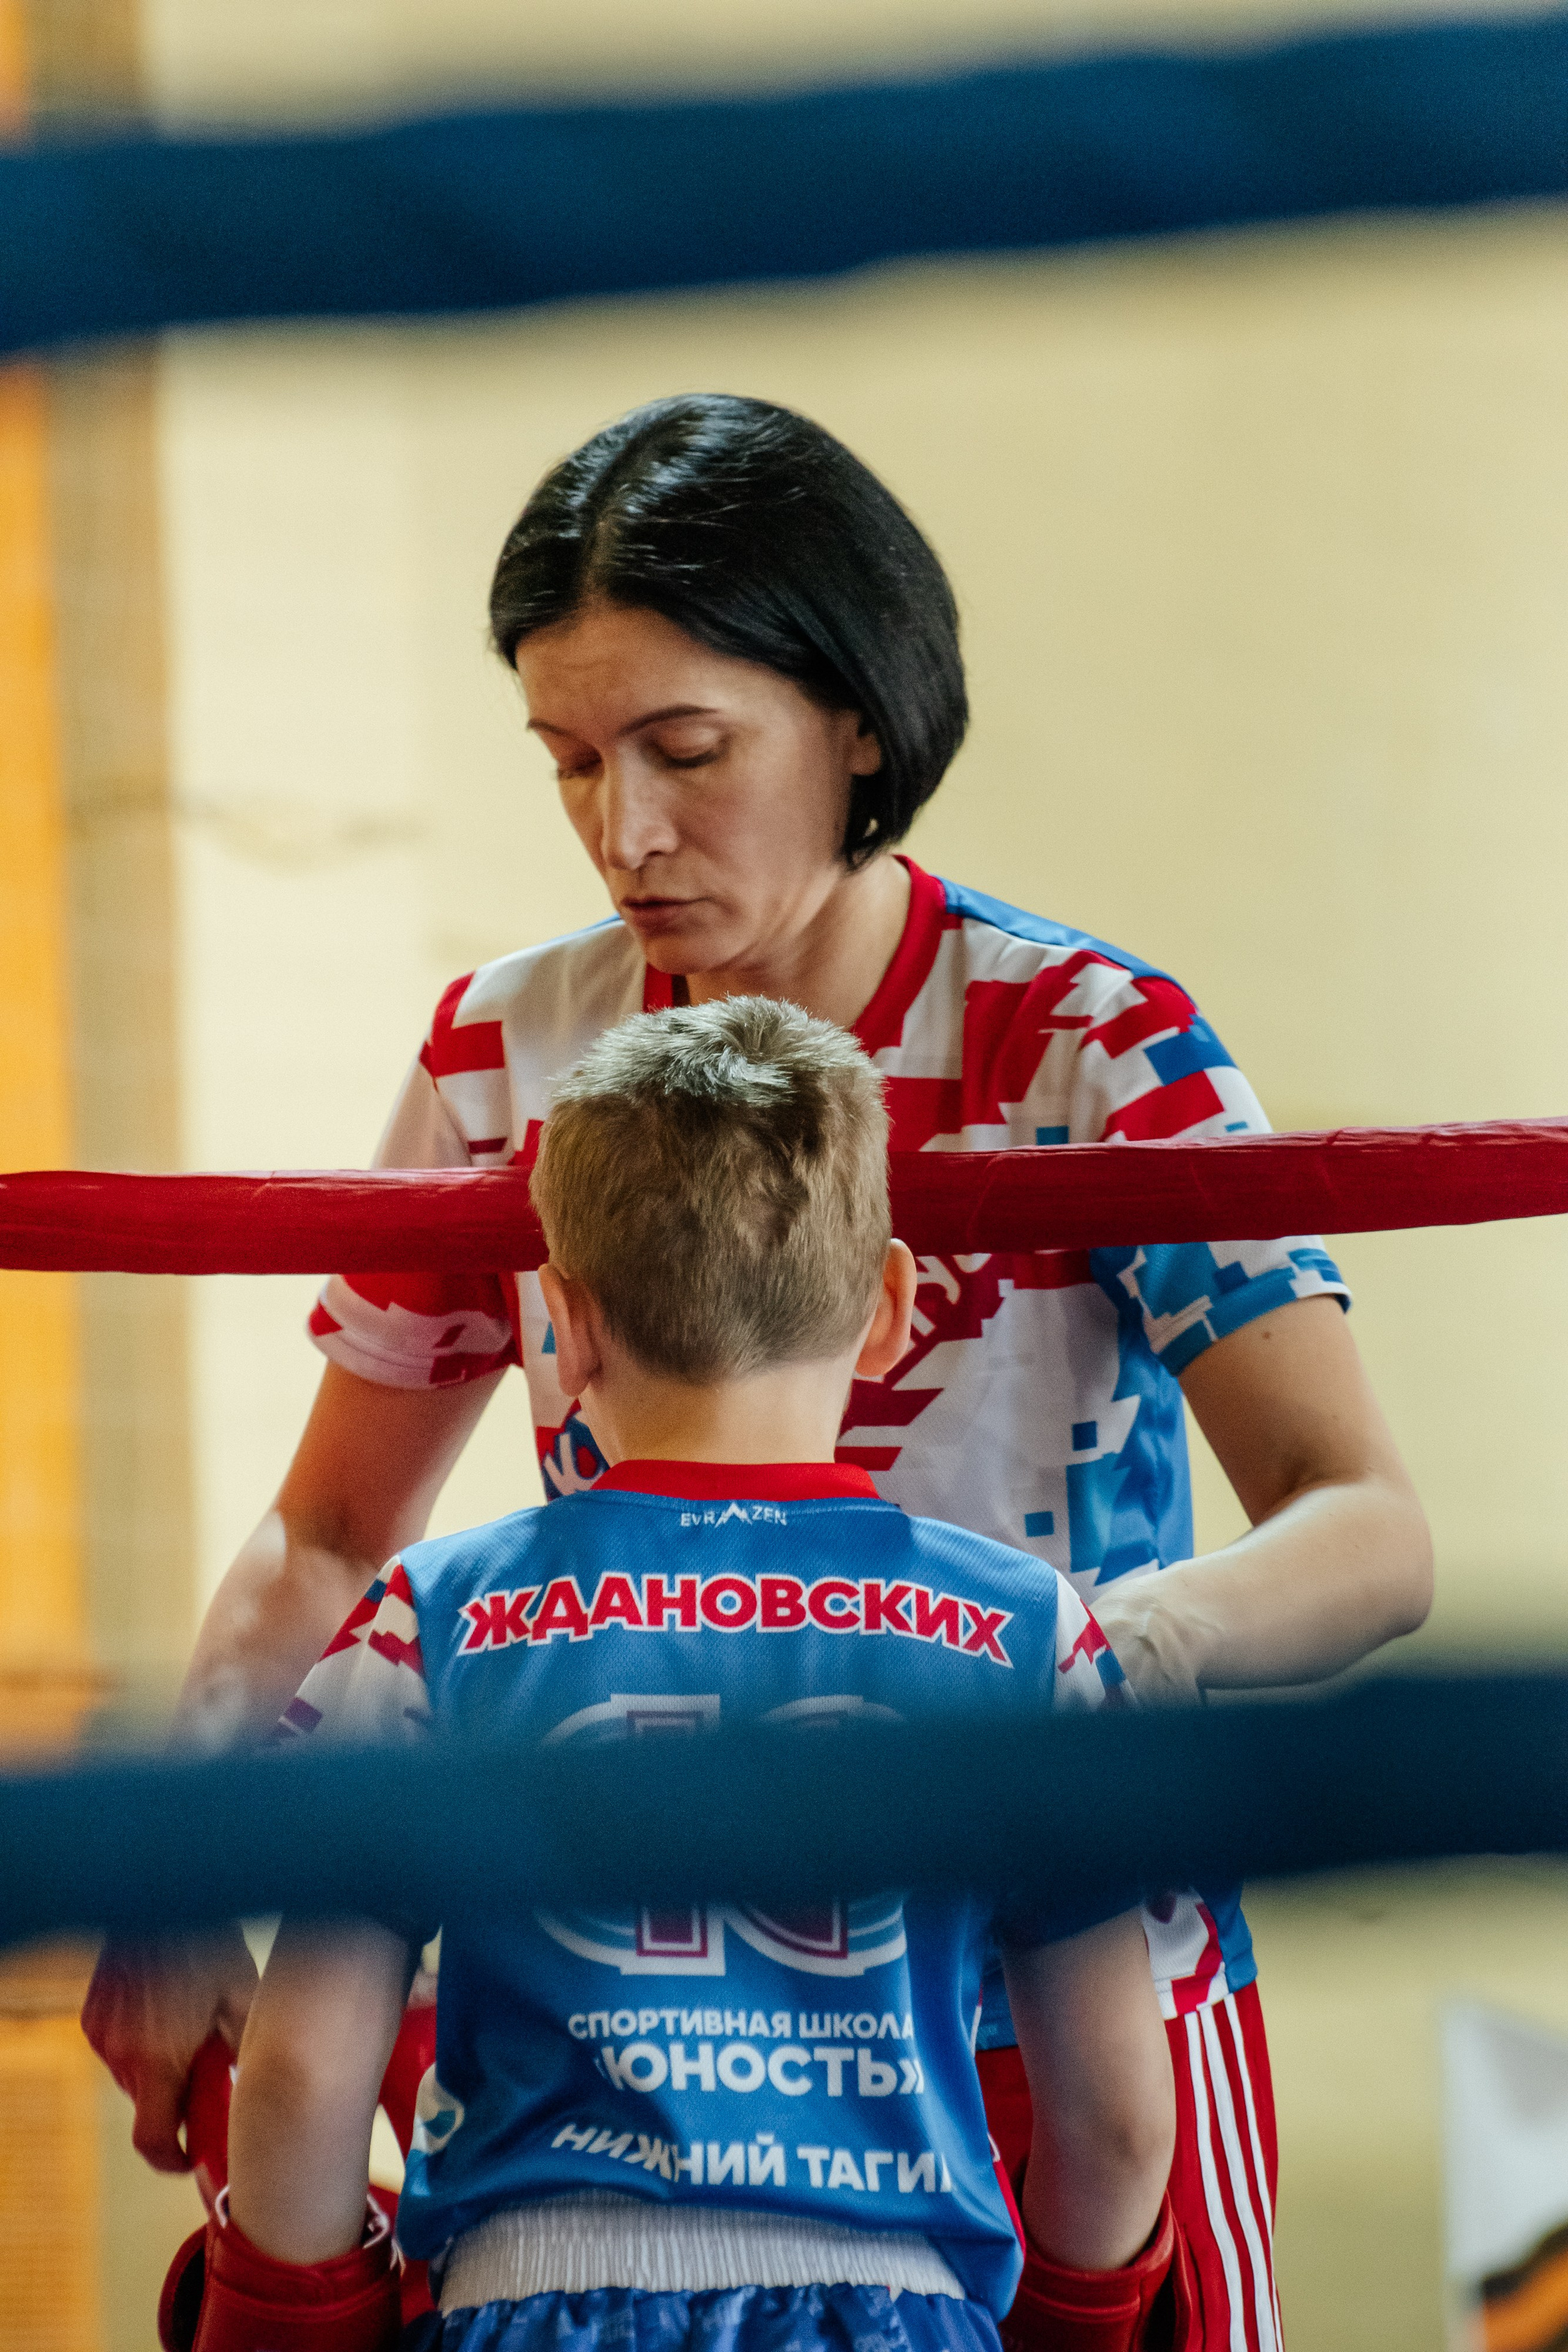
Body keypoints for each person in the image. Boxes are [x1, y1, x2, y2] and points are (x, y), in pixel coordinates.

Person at [88, 394, 1432, 2346]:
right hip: (636, 2051)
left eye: (685, 751)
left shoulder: (1087, 1042)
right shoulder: (506, 1051)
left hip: (1059, 1997)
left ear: (860, 720)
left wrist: (1077, 1680)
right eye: (568, 763)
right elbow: (326, 1526)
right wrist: (188, 1852)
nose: (624, 831)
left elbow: (1365, 1528)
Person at [166, 998, 1188, 2352]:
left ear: (563, 1326)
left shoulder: (436, 1617)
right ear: (887, 1310)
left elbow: (299, 2075)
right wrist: (1080, 2328)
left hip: (530, 2295)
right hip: (902, 2310)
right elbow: (1115, 2117)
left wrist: (283, 2325)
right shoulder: (1024, 1630)